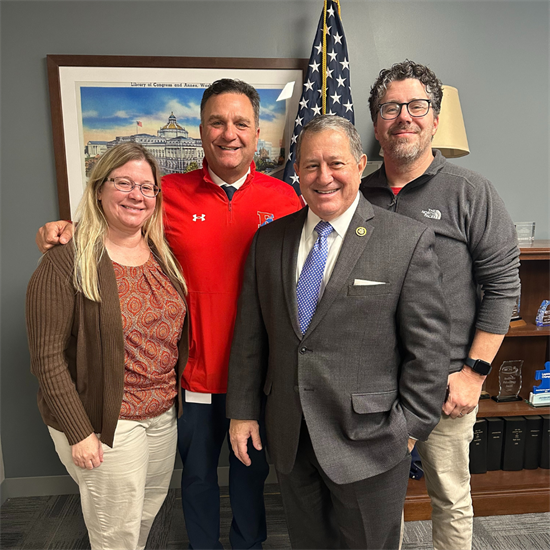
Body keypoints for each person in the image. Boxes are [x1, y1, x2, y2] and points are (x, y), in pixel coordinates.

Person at [35, 79, 303, 550]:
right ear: (200, 130)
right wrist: (62, 231)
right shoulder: (166, 195)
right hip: (190, 377)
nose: (229, 133)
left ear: (257, 131)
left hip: (258, 378)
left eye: (241, 122)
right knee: (196, 481)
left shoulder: (286, 200)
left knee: (250, 480)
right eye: (217, 122)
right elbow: (116, 226)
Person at [226, 115, 450, 550]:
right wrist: (243, 411)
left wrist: (410, 428)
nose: (323, 177)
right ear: (296, 171)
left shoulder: (406, 241)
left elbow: (429, 348)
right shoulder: (269, 241)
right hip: (291, 434)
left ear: (361, 164)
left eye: (336, 163)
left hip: (372, 440)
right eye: (310, 166)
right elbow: (251, 337)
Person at [361, 60, 520, 550]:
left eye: (417, 106)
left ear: (435, 118)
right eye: (391, 107)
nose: (403, 117)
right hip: (372, 384)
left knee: (449, 497)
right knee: (376, 497)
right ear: (376, 121)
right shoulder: (357, 192)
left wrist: (473, 373)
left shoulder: (471, 192)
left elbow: (502, 288)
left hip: (448, 382)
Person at [26, 142, 189, 550]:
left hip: (162, 416)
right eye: (123, 183)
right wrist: (80, 432)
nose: (136, 194)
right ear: (99, 189)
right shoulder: (66, 259)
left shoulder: (162, 255)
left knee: (146, 512)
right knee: (115, 533)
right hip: (106, 421)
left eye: (147, 187)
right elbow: (47, 359)